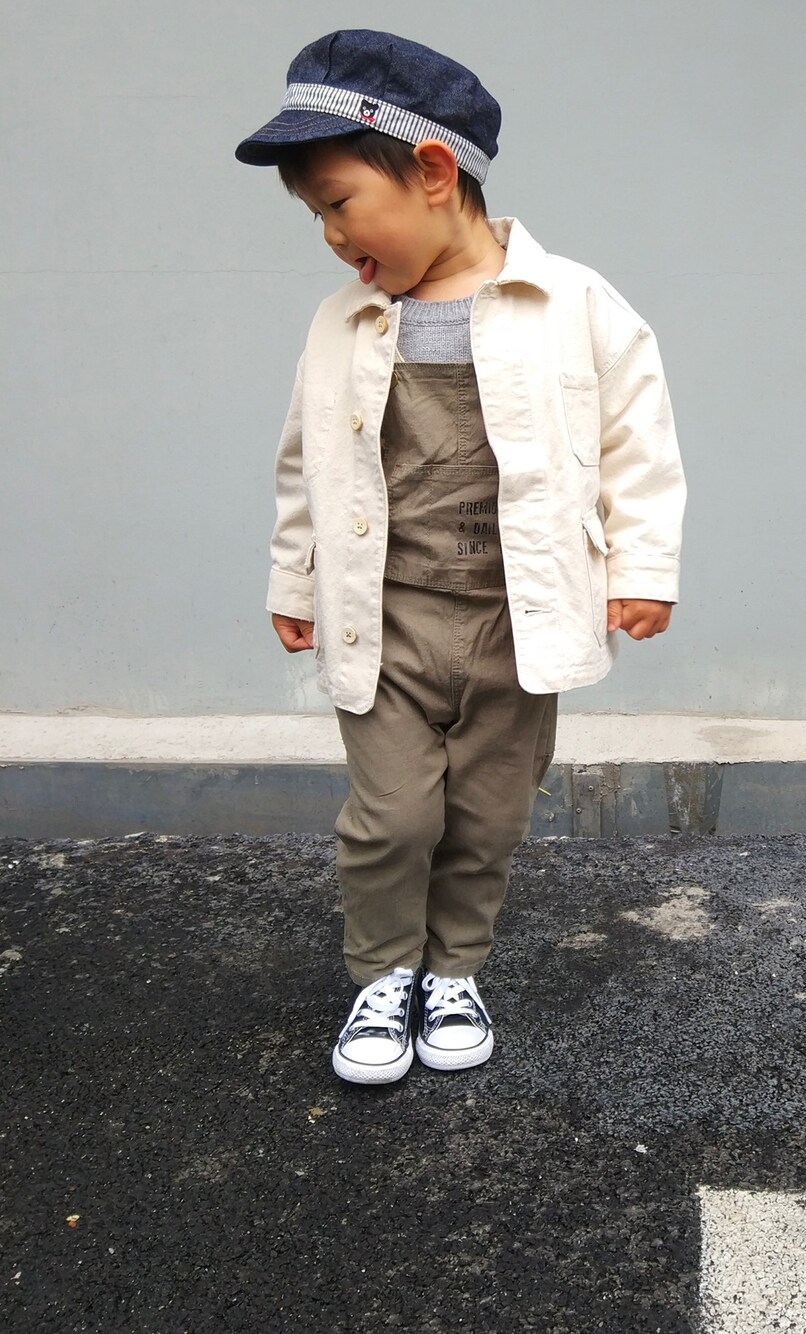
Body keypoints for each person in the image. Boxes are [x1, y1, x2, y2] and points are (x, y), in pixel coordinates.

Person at [235, 29, 686, 1085]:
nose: (332, 236)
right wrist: (296, 577)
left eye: (340, 203)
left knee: (487, 817)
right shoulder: (345, 321)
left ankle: (455, 970)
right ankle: (384, 972)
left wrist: (642, 566)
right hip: (384, 615)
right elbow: (306, 460)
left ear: (434, 172)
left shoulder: (573, 304)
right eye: (315, 216)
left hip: (515, 622)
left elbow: (638, 439)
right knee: (392, 818)